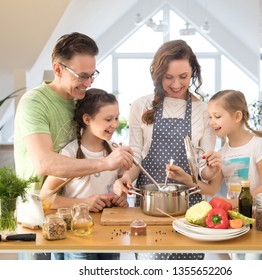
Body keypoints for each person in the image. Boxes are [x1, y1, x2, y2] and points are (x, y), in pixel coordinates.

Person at [14, 32, 133, 260]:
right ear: (58, 70)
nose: (88, 83)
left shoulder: (82, 102)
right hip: (35, 215)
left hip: (69, 215)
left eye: (92, 75)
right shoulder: (34, 103)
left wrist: (119, 178)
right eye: (82, 76)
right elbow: (44, 163)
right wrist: (106, 163)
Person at [113, 39, 217, 260]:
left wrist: (211, 168)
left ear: (194, 73)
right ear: (157, 74)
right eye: (168, 77)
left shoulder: (205, 110)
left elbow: (203, 170)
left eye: (184, 77)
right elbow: (137, 156)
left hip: (191, 206)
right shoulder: (141, 106)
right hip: (150, 206)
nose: (177, 84)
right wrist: (125, 178)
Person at [167, 89, 262, 260]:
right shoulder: (222, 152)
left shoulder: (259, 146)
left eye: (217, 117)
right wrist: (186, 179)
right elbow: (211, 190)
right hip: (234, 221)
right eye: (209, 117)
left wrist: (230, 203)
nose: (211, 122)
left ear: (237, 116)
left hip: (257, 220)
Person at [41, 88, 128, 260]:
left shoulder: (115, 152)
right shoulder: (70, 154)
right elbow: (45, 198)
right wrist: (84, 203)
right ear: (87, 119)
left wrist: (121, 197)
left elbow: (120, 188)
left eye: (117, 118)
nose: (115, 124)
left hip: (109, 234)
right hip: (79, 236)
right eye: (108, 119)